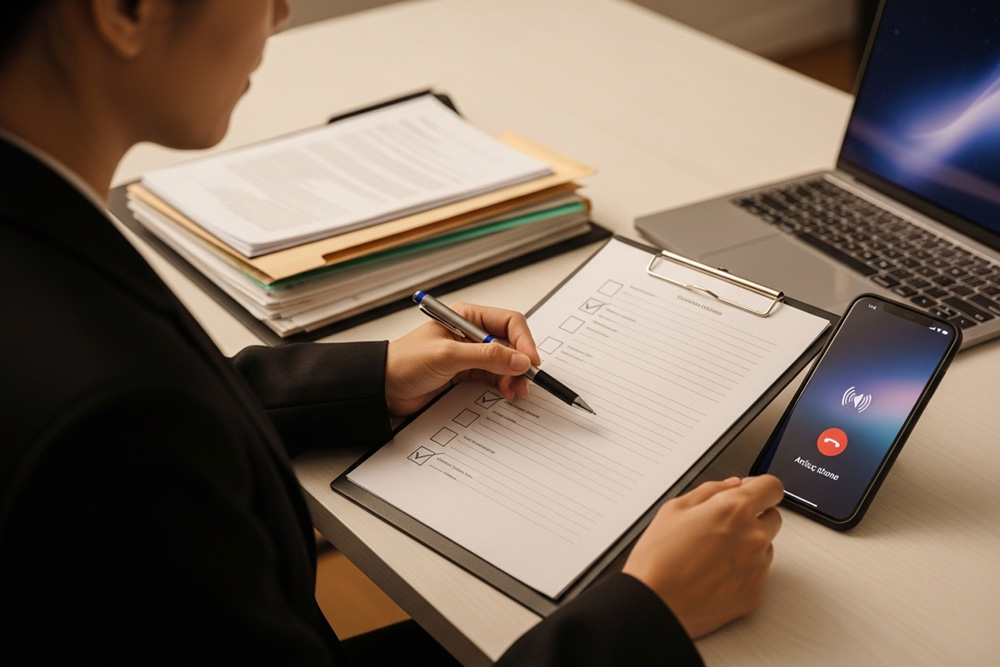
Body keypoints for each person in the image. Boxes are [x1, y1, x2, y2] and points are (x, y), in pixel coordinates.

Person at [0, 1, 785, 664]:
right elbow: (123, 436)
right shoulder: (112, 414)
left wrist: (367, 378)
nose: (282, 12)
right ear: (123, 11)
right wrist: (649, 613)